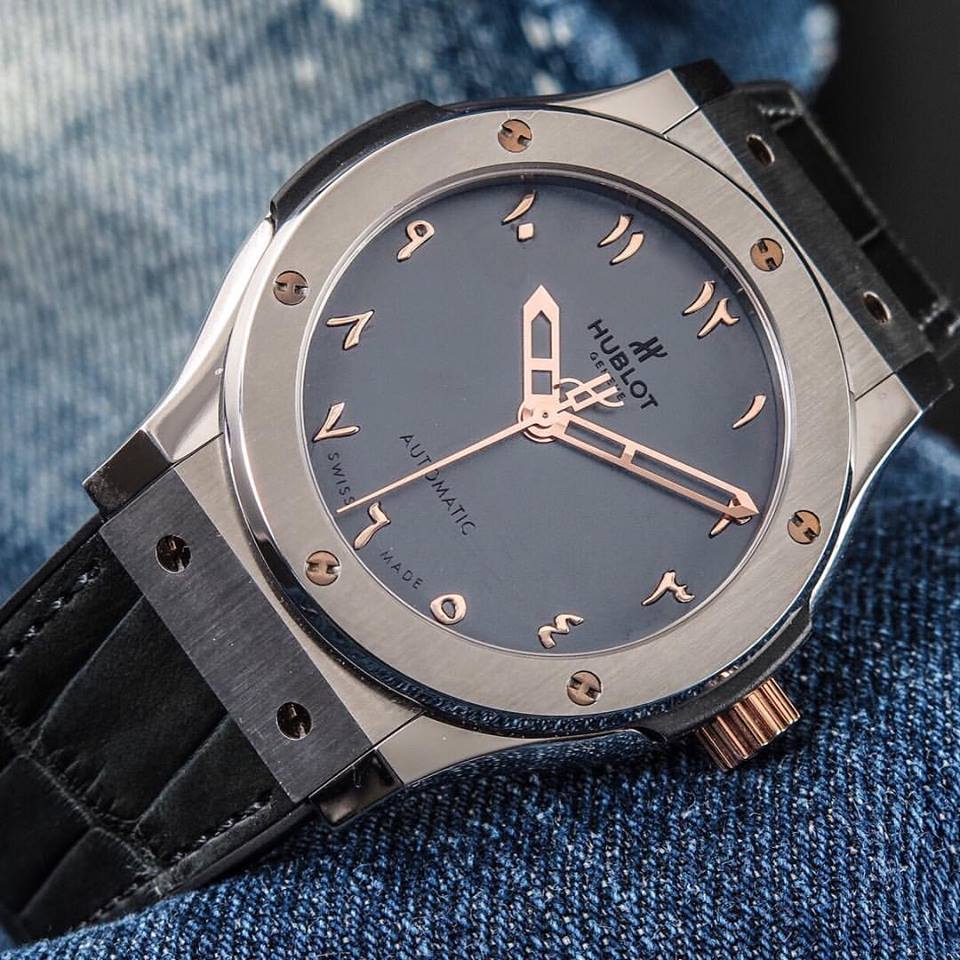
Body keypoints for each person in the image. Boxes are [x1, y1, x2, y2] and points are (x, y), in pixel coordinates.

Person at [1, 2, 956, 956]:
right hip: (213, 489)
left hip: (357, 713)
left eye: (552, 419)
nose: (546, 417)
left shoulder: (815, 435)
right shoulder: (636, 153)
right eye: (546, 409)